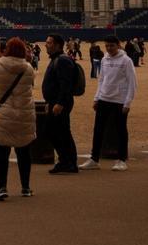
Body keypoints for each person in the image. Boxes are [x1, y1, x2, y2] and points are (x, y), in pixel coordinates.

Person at [0, 37, 36, 200]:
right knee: (24, 153)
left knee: (1, 154)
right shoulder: (28, 68)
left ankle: (2, 187)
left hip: (2, 114)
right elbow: (32, 83)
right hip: (23, 114)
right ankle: (25, 187)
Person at [80, 36, 137, 171]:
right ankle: (94, 159)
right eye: (107, 46)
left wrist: (127, 103)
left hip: (119, 101)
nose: (109, 48)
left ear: (118, 45)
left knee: (120, 131)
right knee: (98, 130)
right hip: (104, 99)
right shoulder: (104, 59)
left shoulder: (126, 61)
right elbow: (102, 80)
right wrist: (96, 97)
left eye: (112, 45)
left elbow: (132, 83)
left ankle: (121, 160)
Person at [42, 34, 79, 174]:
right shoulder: (57, 59)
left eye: (49, 42)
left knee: (59, 132)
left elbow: (66, 85)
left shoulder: (62, 60)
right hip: (54, 102)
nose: (46, 45)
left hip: (60, 103)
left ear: (58, 45)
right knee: (57, 131)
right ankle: (66, 161)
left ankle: (68, 162)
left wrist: (60, 103)